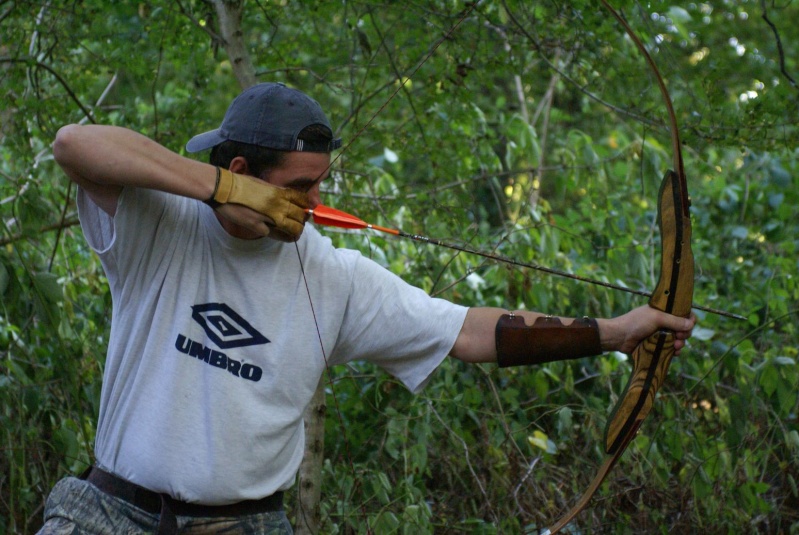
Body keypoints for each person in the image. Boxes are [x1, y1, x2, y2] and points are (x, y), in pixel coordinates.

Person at [39, 82, 695, 534]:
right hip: (111, 510)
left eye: (320, 181)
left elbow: (467, 330)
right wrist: (218, 191)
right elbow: (74, 144)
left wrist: (615, 331)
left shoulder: (333, 275)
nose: (313, 198)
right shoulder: (162, 222)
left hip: (243, 522)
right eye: (298, 185)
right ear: (240, 167)